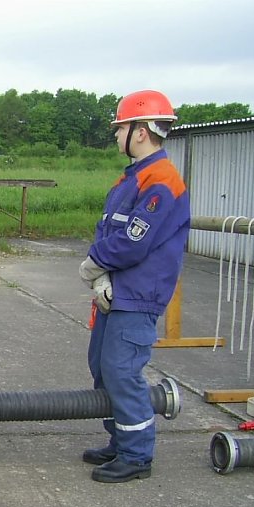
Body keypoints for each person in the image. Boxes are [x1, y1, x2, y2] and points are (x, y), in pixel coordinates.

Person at [78, 89, 190, 483]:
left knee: (121, 371)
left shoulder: (161, 181)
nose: (115, 135)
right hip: (117, 291)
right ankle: (120, 439)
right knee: (102, 367)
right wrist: (102, 274)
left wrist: (95, 263)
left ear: (140, 131)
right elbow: (109, 230)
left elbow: (134, 241)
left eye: (120, 127)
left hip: (138, 295)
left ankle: (137, 455)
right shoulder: (131, 179)